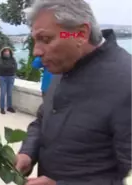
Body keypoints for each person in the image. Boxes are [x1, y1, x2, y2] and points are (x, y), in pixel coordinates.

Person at [15, 1, 132, 185]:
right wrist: (27, 153)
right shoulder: (63, 66)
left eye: (46, 39)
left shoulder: (126, 81)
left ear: (81, 34)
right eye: (35, 40)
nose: (36, 51)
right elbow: (42, 120)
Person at [0, 47, 17, 114]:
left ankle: (9, 107)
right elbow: (1, 67)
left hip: (11, 77)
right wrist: (10, 67)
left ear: (10, 52)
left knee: (9, 94)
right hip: (3, 78)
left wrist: (8, 67)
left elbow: (15, 67)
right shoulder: (0, 59)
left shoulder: (13, 59)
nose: (7, 53)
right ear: (3, 53)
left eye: (8, 51)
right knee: (3, 93)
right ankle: (2, 108)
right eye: (5, 51)